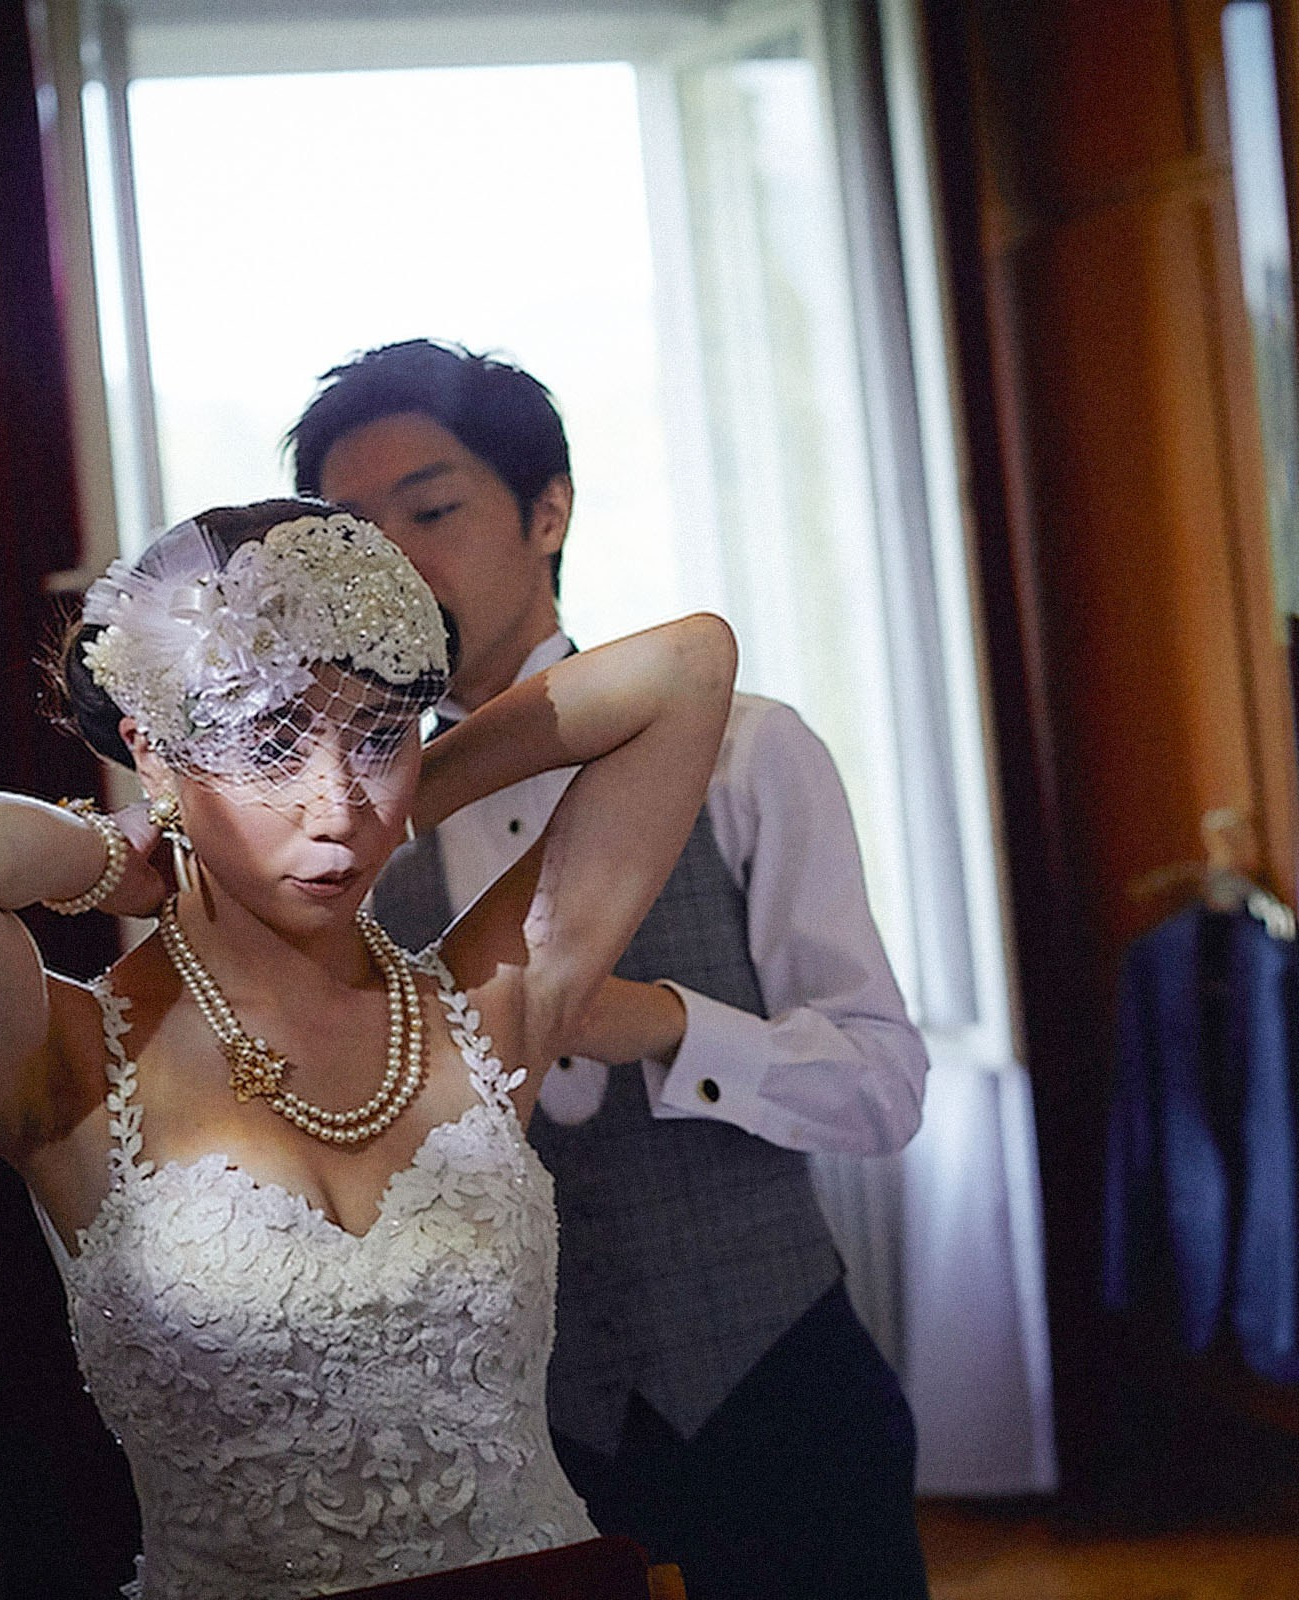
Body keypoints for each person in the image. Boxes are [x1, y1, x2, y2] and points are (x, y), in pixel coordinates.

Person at [0, 499, 737, 1599]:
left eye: (379, 736)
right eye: (268, 743)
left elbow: (689, 666)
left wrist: (414, 796)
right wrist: (115, 859)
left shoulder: (486, 1007)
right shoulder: (70, 1061)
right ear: (155, 752)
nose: (336, 805)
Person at [291, 340, 932, 1600]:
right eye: (353, 537)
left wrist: (656, 1023)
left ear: (549, 511)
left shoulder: (750, 753)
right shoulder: (338, 850)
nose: (397, 567)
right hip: (525, 1443)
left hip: (784, 1401)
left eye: (432, 510)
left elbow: (884, 1085)